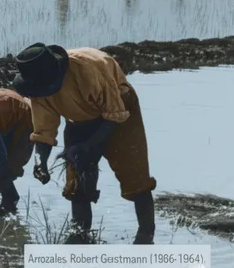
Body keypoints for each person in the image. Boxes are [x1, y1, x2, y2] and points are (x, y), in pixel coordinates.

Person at [12, 43, 156, 244]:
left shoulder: (90, 70)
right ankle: (80, 231)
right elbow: (44, 131)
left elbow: (114, 113)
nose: (45, 93)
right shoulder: (37, 88)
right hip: (78, 118)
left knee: (134, 175)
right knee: (77, 181)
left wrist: (91, 145)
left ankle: (145, 234)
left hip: (119, 110)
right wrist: (40, 162)